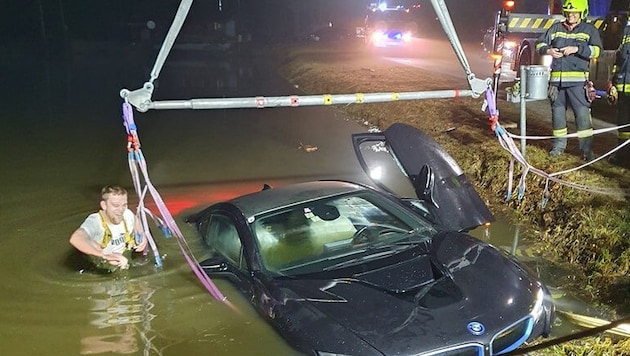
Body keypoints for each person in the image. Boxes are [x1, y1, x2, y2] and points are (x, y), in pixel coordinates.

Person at [535, 0, 602, 161]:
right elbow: (539, 44)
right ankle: (558, 148)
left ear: (582, 13)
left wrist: (578, 49)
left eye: (574, 13)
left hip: (578, 84)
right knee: (558, 116)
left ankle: (586, 151)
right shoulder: (556, 28)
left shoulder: (589, 30)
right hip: (557, 84)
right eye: (568, 12)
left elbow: (597, 51)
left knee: (582, 117)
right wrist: (547, 50)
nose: (571, 15)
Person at [70, 185, 147, 271]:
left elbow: (136, 220)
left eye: (124, 205)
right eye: (115, 205)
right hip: (100, 268)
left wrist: (141, 234)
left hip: (123, 259)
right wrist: (105, 256)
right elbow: (76, 238)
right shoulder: (95, 221)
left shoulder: (127, 214)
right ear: (104, 205)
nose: (121, 210)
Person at [607, 13, 630, 166]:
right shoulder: (626, 30)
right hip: (624, 85)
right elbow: (621, 57)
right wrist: (613, 81)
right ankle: (623, 157)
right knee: (624, 125)